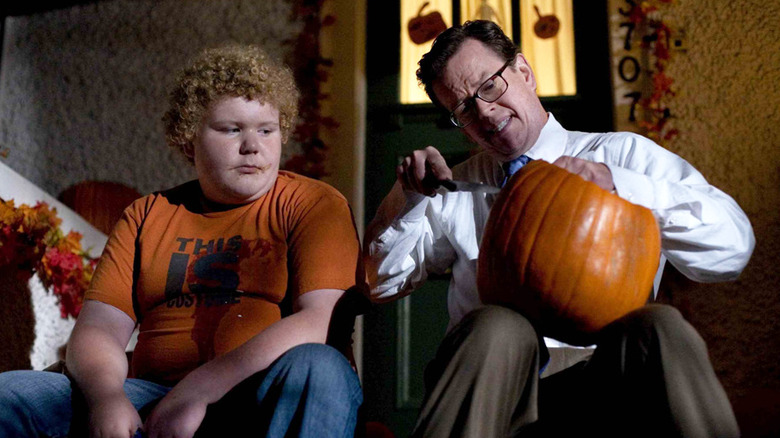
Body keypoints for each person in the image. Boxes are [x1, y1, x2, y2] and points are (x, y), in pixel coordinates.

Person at [364, 20, 754, 437]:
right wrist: (409, 197)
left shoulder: (620, 155)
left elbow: (732, 248)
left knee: (659, 326)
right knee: (496, 324)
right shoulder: (449, 186)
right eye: (462, 108)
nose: (484, 111)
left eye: (489, 86)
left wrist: (620, 185)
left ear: (525, 73)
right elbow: (380, 285)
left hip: (608, 375)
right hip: (500, 386)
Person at [0, 45, 364, 437]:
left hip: (260, 391)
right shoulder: (147, 214)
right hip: (151, 396)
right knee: (12, 394)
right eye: (231, 129)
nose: (252, 145)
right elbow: (100, 328)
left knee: (320, 367)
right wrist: (106, 398)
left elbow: (323, 319)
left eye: (266, 129)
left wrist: (200, 389)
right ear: (189, 140)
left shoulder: (314, 204)